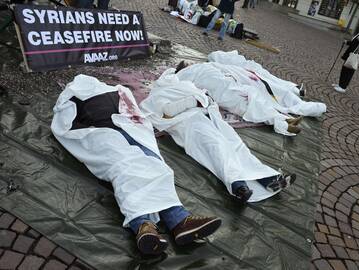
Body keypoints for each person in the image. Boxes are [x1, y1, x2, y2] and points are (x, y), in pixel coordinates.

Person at [51, 74, 221, 256]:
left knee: (156, 166)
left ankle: (178, 221)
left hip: (131, 130)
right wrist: (90, 136)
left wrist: (136, 126)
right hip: (103, 134)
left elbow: (133, 111)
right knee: (125, 168)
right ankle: (145, 224)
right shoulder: (71, 99)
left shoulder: (116, 90)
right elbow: (64, 125)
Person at [140, 69, 296, 204]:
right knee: (217, 149)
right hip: (190, 124)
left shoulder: (186, 86)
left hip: (210, 119)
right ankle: (238, 186)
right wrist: (195, 101)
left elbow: (205, 99)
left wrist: (204, 100)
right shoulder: (157, 95)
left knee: (237, 148)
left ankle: (269, 179)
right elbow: (167, 113)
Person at [174, 50, 327, 136]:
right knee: (244, 101)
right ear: (185, 67)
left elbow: (222, 68)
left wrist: (233, 76)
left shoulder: (205, 66)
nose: (192, 63)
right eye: (189, 63)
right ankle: (281, 120)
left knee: (255, 95)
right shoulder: (188, 74)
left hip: (229, 81)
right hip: (221, 87)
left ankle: (284, 118)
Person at [333, 17, 359, 93]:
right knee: (344, 69)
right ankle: (340, 84)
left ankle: (343, 87)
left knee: (349, 71)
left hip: (356, 56)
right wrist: (347, 42)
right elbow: (354, 42)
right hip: (350, 53)